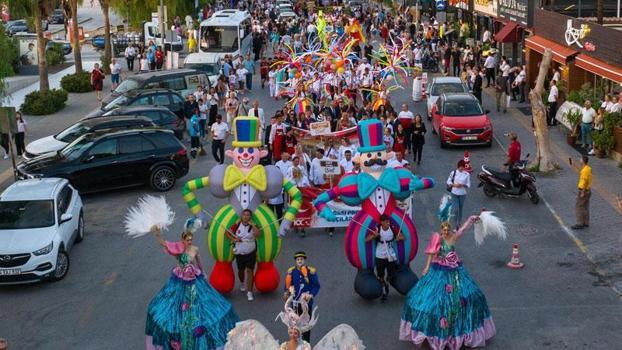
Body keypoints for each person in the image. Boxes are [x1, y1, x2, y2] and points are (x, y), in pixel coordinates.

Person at [400, 215, 496, 349]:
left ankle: (458, 332)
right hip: (438, 271)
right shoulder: (437, 239)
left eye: (447, 230)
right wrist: (427, 267)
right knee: (430, 299)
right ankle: (437, 333)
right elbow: (431, 254)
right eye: (443, 230)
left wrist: (469, 220)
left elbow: (462, 229)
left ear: (449, 230)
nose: (445, 232)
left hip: (455, 271)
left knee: (469, 295)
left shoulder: (453, 237)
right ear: (441, 231)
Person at [146, 227, 239, 349]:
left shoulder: (195, 249)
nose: (189, 242)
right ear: (182, 240)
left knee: (203, 302)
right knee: (176, 304)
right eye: (187, 240)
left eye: (191, 239)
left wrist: (203, 273)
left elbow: (199, 262)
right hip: (179, 280)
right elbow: (164, 243)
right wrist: (157, 234)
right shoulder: (178, 248)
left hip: (194, 278)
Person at [365, 214, 403, 302]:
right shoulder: (377, 229)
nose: (388, 223)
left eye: (388, 221)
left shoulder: (392, 228)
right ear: (381, 222)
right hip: (380, 256)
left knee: (391, 275)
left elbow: (403, 237)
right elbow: (366, 240)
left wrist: (399, 238)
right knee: (380, 276)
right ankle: (384, 293)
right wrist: (374, 236)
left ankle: (387, 281)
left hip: (391, 256)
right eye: (386, 222)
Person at [284, 251, 320, 343]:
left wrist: (311, 295)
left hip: (306, 304)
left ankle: (306, 344)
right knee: (294, 325)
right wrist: (287, 292)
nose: (300, 261)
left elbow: (316, 286)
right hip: (295, 304)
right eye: (298, 259)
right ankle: (296, 343)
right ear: (296, 261)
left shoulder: (310, 272)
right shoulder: (291, 272)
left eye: (301, 259)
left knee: (306, 325)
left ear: (304, 260)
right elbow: (287, 286)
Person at [226, 209, 261, 301]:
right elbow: (227, 233)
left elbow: (258, 234)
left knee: (250, 271)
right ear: (241, 216)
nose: (245, 217)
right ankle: (242, 282)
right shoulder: (236, 225)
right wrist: (234, 239)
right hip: (239, 253)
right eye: (244, 215)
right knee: (241, 271)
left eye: (248, 215)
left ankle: (249, 292)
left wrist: (253, 225)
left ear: (250, 217)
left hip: (251, 253)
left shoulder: (254, 226)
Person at [447, 160, 470, 228]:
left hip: (462, 194)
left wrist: (462, 185)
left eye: (462, 167)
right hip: (454, 193)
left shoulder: (467, 174)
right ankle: (455, 223)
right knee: (456, 209)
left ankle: (459, 223)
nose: (461, 168)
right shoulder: (453, 172)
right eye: (460, 167)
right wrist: (454, 185)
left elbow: (468, 185)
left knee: (460, 208)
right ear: (458, 166)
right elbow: (448, 181)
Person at [572, 155, 592, 230]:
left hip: (583, 191)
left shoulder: (584, 171)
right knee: (586, 206)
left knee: (579, 206)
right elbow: (581, 173)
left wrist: (582, 192)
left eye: (580, 159)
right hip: (588, 191)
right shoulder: (588, 168)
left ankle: (580, 223)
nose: (579, 160)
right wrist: (574, 165)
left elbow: (585, 182)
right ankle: (586, 222)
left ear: (583, 161)